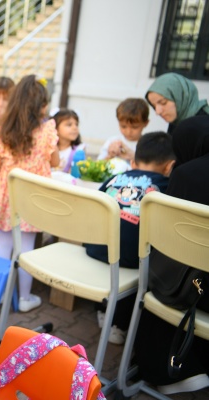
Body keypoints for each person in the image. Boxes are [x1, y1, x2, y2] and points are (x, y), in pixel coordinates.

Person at [133, 117, 209, 395]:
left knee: (164, 271)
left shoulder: (186, 174)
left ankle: (168, 369)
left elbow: (168, 237)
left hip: (188, 291)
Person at [84, 132, 175, 345]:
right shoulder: (166, 186)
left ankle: (102, 309)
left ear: (132, 162)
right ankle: (118, 324)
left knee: (118, 248)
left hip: (94, 247)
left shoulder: (114, 179)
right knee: (143, 257)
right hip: (130, 258)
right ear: (169, 167)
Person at [0, 75, 59, 312]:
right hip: (33, 199)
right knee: (26, 248)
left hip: (7, 197)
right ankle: (24, 298)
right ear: (42, 106)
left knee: (3, 243)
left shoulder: (5, 130)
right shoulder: (47, 131)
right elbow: (55, 161)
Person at [97, 99, 149, 167]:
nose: (128, 132)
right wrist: (110, 156)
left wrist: (133, 156)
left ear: (146, 123)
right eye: (123, 126)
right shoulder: (112, 141)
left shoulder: (148, 145)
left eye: (134, 127)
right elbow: (98, 165)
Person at [52, 109, 84, 173]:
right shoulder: (50, 148)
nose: (75, 128)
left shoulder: (78, 150)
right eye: (69, 125)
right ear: (56, 128)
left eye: (76, 124)